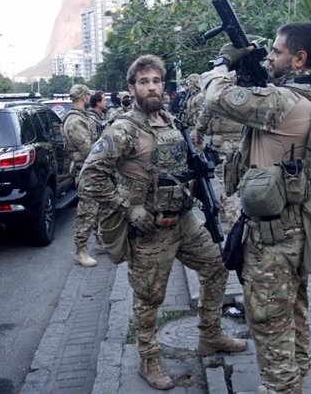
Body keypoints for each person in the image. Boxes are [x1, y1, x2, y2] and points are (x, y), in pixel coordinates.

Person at [79, 55, 246, 390]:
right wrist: (128, 208)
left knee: (216, 265)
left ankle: (210, 334)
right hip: (151, 229)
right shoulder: (124, 129)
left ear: (163, 85)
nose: (151, 86)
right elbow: (90, 176)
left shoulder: (170, 121)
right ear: (133, 88)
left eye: (156, 80)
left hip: (184, 221)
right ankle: (149, 359)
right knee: (149, 297)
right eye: (144, 82)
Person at [203, 22, 311, 393]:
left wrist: (222, 65)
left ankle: (281, 387)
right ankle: (294, 382)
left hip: (273, 240)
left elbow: (216, 98)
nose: (270, 57)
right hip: (297, 226)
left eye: (277, 52)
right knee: (294, 314)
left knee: (268, 322)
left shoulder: (284, 102)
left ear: (299, 58)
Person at [62, 84, 102, 267]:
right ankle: (81, 251)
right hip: (84, 170)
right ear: (84, 97)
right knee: (87, 212)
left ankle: (101, 242)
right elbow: (88, 149)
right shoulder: (75, 121)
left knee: (99, 208)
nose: (88, 98)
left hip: (90, 168)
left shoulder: (81, 118)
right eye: (87, 95)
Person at [192, 103, 244, 229]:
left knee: (227, 183)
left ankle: (234, 225)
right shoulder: (245, 91)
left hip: (223, 145)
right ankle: (224, 213)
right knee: (232, 179)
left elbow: (204, 118)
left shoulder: (217, 94)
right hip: (243, 143)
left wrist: (198, 132)